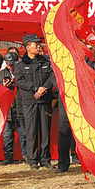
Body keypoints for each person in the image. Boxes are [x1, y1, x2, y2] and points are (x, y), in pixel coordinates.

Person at [14, 34, 56, 169]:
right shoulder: (20, 65)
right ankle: (33, 160)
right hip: (30, 101)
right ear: (27, 47)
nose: (38, 46)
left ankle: (45, 159)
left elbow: (52, 76)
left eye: (39, 44)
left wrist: (44, 89)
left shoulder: (45, 62)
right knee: (31, 131)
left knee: (45, 130)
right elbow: (20, 81)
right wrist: (35, 89)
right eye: (35, 44)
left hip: (44, 100)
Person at [0, 51, 27, 165]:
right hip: (7, 109)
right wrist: (2, 87)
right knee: (7, 134)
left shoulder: (23, 73)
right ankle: (8, 156)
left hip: (21, 107)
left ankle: (26, 156)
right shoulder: (0, 75)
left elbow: (28, 86)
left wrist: (19, 82)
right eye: (9, 64)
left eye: (13, 64)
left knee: (24, 133)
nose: (11, 66)